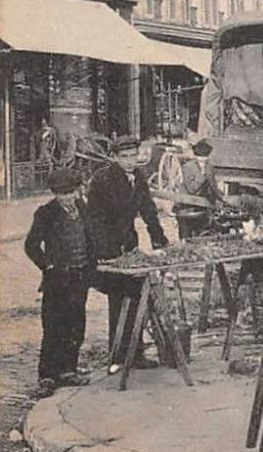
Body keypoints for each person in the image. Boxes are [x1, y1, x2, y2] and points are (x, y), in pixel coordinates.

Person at [87, 136, 168, 369]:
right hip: (107, 247)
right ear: (114, 157)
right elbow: (95, 220)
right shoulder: (102, 180)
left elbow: (149, 211)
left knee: (137, 296)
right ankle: (119, 356)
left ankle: (135, 353)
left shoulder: (139, 177)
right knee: (119, 299)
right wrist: (108, 252)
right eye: (124, 157)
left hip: (129, 244)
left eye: (133, 155)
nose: (131, 161)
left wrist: (159, 240)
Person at [24, 168, 94, 397]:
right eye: (61, 194)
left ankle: (68, 370)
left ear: (76, 191)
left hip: (80, 276)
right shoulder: (46, 213)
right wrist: (48, 266)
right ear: (54, 193)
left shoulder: (83, 208)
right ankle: (47, 375)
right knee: (53, 326)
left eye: (69, 192)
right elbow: (31, 246)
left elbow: (91, 238)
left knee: (76, 323)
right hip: (57, 280)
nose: (66, 197)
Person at [174, 139, 225, 239]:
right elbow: (192, 189)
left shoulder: (209, 167)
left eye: (205, 159)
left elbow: (213, 185)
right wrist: (202, 174)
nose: (203, 163)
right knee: (186, 233)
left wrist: (221, 198)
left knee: (203, 229)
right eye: (200, 160)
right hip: (187, 204)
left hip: (201, 204)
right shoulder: (187, 167)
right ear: (195, 157)